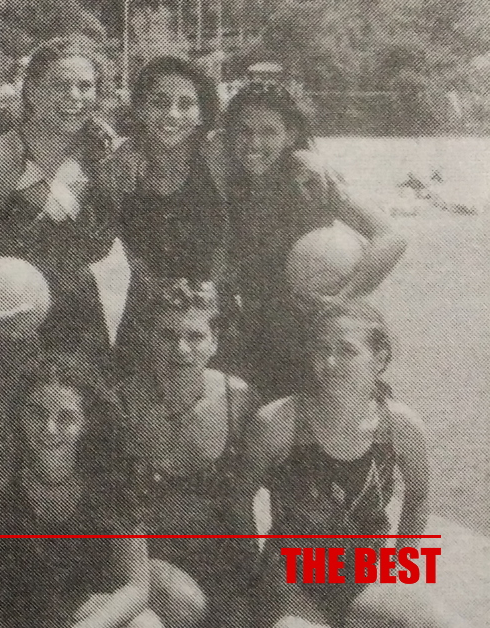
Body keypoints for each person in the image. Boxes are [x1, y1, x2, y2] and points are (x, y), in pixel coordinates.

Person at [0, 35, 118, 446]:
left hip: (81, 323)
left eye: (85, 86)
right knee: (10, 452)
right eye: (60, 85)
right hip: (13, 323)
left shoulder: (102, 156)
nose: (75, 97)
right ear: (31, 89)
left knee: (89, 452)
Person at [244, 302, 450, 628]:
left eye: (346, 351)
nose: (329, 362)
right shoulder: (279, 421)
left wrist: (400, 564)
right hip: (292, 575)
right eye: (322, 350)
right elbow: (238, 499)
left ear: (379, 359)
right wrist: (253, 572)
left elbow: (418, 496)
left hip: (363, 571)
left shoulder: (400, 426)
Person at [207, 81, 407, 399]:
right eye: (244, 131)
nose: (254, 142)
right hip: (248, 337)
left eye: (269, 132)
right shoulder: (225, 179)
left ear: (290, 135)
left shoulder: (308, 181)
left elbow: (391, 237)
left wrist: (345, 297)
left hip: (311, 339)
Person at [0, 353, 159, 628]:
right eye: (37, 413)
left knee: (147, 625)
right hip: (20, 610)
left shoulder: (111, 473)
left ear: (86, 422)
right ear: (20, 414)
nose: (49, 429)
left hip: (86, 608)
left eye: (66, 417)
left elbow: (136, 587)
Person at [116, 281, 259, 628]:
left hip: (220, 558)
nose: (180, 349)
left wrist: (254, 578)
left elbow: (251, 499)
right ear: (150, 338)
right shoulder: (121, 404)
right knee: (185, 605)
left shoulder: (239, 401)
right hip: (146, 558)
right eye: (167, 336)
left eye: (194, 337)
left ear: (214, 342)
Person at [97, 57, 227, 372]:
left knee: (219, 400)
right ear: (141, 109)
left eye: (186, 104)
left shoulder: (218, 159)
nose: (172, 114)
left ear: (201, 113)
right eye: (160, 102)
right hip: (146, 315)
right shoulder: (118, 166)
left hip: (211, 318)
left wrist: (309, 158)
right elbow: (99, 244)